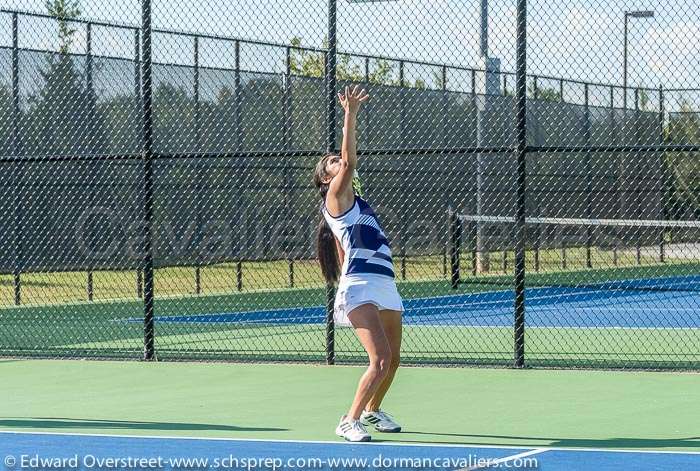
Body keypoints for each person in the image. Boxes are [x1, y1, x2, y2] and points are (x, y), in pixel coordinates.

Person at [313, 84, 404, 442]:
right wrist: (350, 112)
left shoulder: (355, 204)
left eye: (337, 159)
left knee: (393, 360)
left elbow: (342, 248)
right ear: (326, 178)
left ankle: (372, 410)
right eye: (332, 162)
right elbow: (350, 161)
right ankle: (348, 420)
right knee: (379, 360)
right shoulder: (335, 194)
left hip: (384, 283)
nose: (339, 161)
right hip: (362, 287)